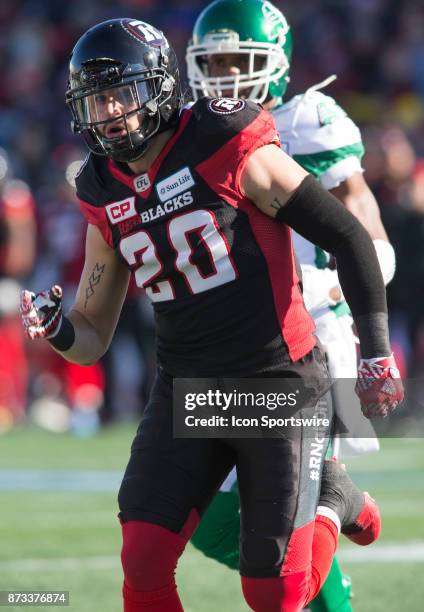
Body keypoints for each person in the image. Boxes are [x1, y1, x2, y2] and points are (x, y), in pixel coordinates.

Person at [20, 17, 403, 612]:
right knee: (142, 558)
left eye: (121, 94)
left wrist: (377, 351)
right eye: (95, 101)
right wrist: (58, 328)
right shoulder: (101, 186)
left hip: (278, 382)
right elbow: (92, 334)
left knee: (272, 595)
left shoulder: (223, 140)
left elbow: (349, 235)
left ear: (160, 86)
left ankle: (335, 500)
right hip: (188, 389)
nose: (109, 113)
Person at [186, 1, 397, 609]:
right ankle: (342, 505)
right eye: (213, 63)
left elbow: (375, 248)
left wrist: (328, 285)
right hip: (233, 343)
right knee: (201, 515)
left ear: (276, 65)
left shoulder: (309, 120)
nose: (225, 77)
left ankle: (333, 518)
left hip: (312, 344)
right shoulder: (193, 129)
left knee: (284, 534)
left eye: (239, 61)